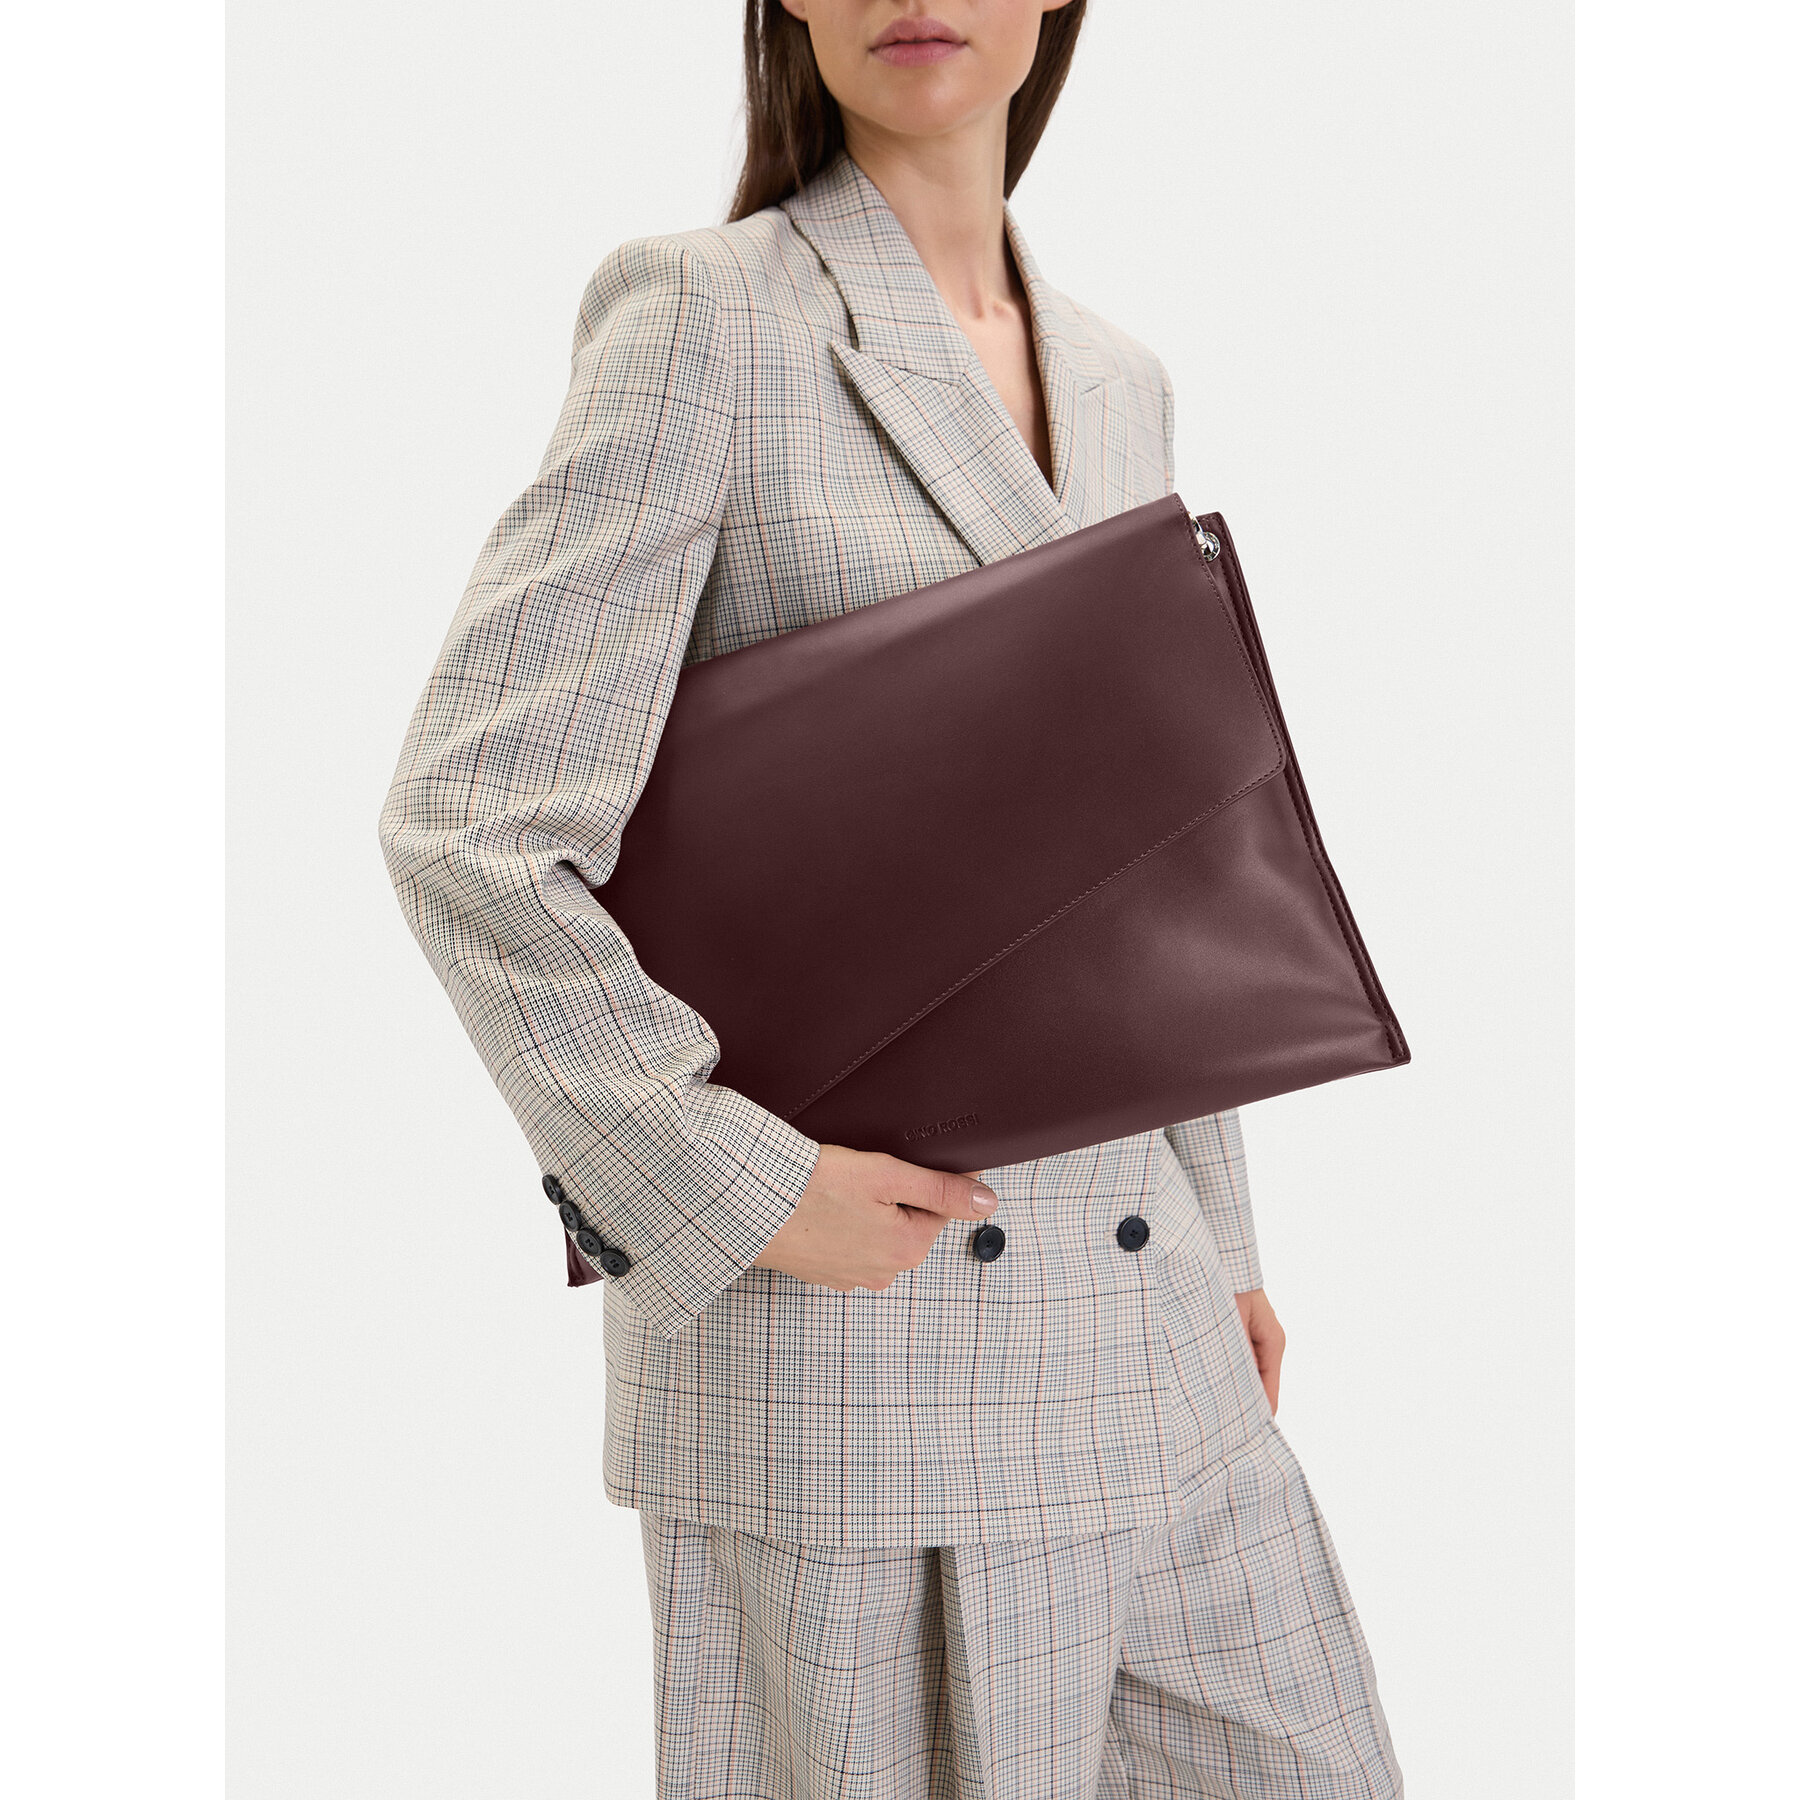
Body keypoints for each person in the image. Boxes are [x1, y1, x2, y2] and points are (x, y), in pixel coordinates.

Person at [378, 3, 1405, 1794]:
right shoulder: (707, 316)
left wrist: (1225, 1246)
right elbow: (470, 826)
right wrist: (745, 1192)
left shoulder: (1120, 379)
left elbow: (1141, 854)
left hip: (1155, 1335)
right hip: (863, 1347)